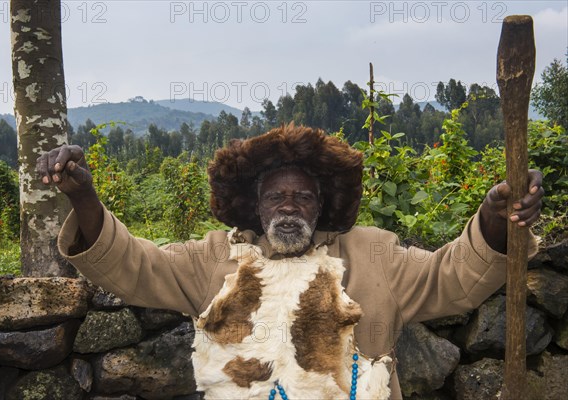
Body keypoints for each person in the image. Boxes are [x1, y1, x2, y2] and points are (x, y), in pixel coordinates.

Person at [37, 124, 542, 399]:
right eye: (276, 196)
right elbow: (136, 267)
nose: (288, 206)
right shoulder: (211, 258)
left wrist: (496, 218)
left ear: (321, 207)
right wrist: (84, 199)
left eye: (302, 197)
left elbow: (451, 278)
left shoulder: (373, 254)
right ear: (255, 207)